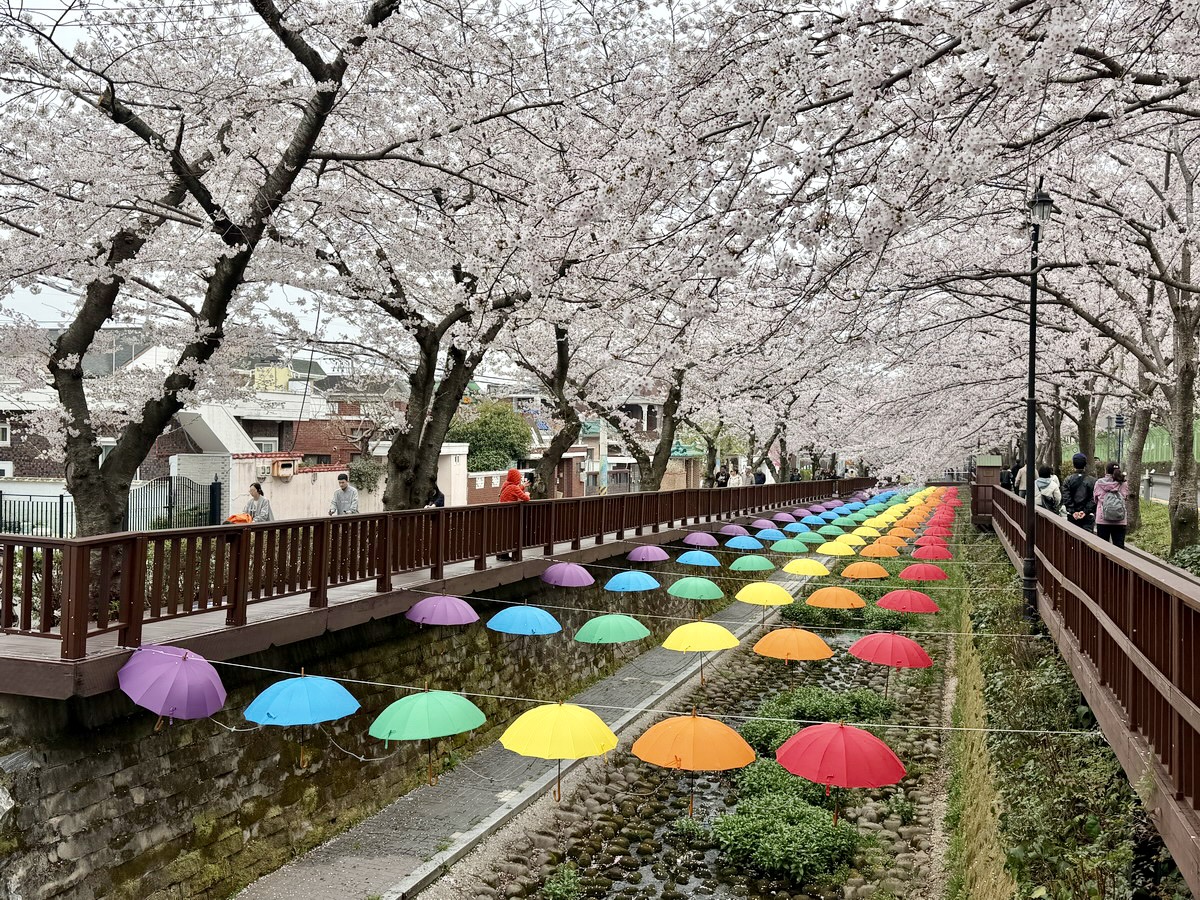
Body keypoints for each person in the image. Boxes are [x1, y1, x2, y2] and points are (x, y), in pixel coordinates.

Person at [1094, 462, 1130, 548]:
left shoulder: (1099, 483)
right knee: (1119, 547)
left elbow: (1095, 499)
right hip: (1120, 519)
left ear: (1106, 471)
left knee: (1102, 547)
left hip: (1102, 519)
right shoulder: (1123, 483)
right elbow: (1125, 498)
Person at [497, 469, 529, 560]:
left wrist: (523, 486)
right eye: (519, 477)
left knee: (503, 534)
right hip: (509, 515)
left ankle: (500, 554)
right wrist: (527, 493)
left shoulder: (506, 484)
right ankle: (504, 555)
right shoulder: (514, 487)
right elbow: (525, 498)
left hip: (501, 513)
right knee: (509, 534)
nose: (519, 479)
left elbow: (514, 490)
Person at [1062, 452, 1097, 532]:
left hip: (1072, 516)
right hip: (1088, 516)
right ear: (1085, 464)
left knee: (1072, 537)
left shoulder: (1068, 480)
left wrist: (1073, 511)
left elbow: (1066, 497)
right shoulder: (1093, 481)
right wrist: (1085, 511)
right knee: (1087, 538)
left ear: (1073, 464)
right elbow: (1094, 498)